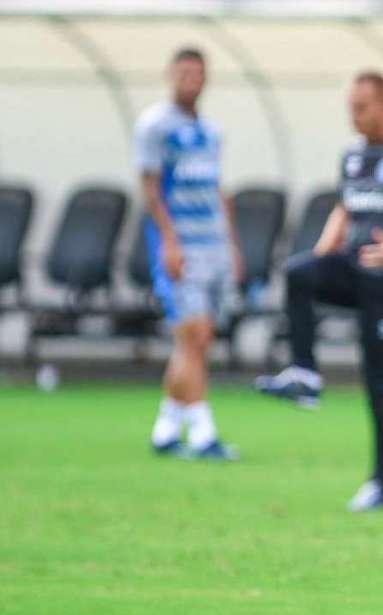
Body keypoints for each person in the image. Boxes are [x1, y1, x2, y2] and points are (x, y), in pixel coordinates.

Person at [254, 72, 383, 511]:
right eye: (350, 107)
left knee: (378, 383)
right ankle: (304, 375)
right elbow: (345, 205)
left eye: (361, 107)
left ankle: (382, 483)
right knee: (299, 273)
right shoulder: (353, 156)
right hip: (354, 270)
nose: (354, 116)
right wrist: (323, 257)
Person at [136, 47, 242, 460]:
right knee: (193, 335)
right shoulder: (154, 126)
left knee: (195, 341)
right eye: (184, 72)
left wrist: (232, 245)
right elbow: (149, 189)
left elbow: (217, 190)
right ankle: (202, 433)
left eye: (198, 72)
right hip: (182, 245)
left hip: (213, 244)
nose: (191, 79)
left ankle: (165, 428)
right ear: (170, 74)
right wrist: (169, 242)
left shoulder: (212, 131)